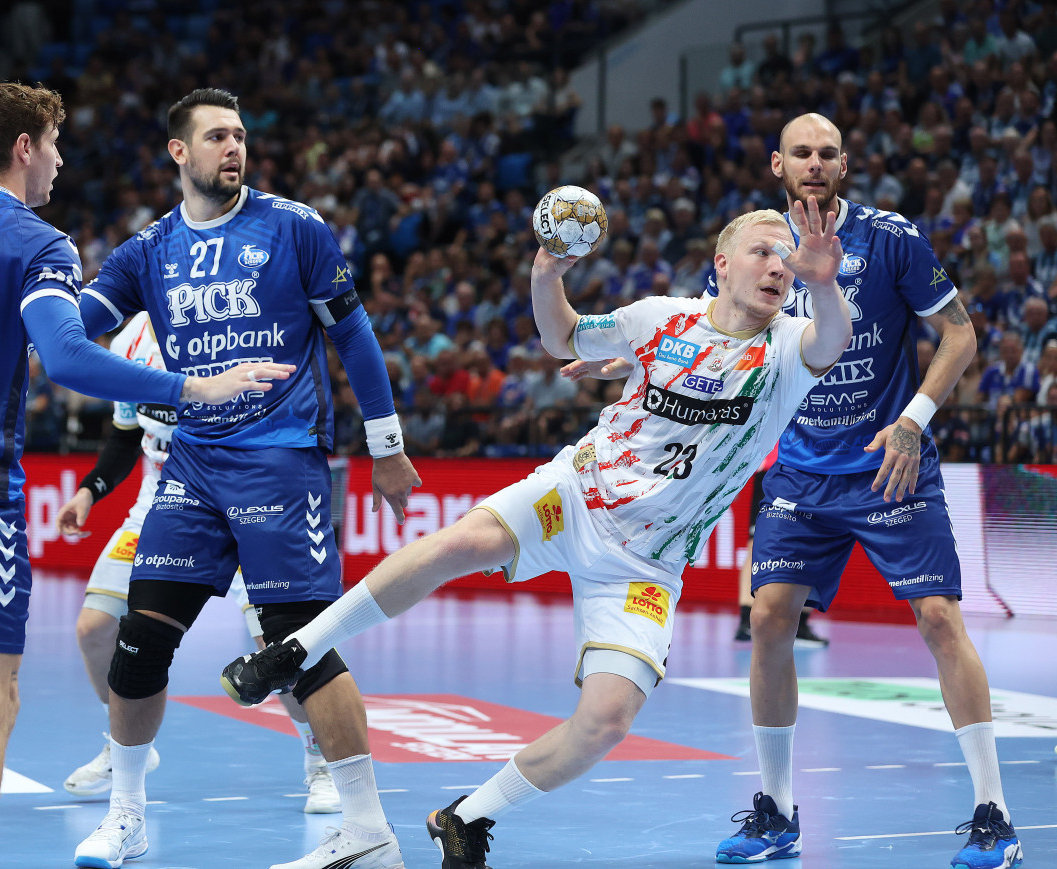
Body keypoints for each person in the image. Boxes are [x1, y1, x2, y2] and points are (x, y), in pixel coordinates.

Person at [220, 202, 853, 868]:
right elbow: (564, 336)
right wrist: (546, 276)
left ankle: (466, 817)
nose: (778, 266)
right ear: (722, 264)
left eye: (786, 258)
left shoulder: (790, 347)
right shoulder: (659, 318)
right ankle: (295, 649)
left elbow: (832, 338)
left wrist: (824, 281)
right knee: (460, 543)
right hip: (577, 495)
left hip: (646, 563)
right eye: (762, 251)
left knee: (606, 721)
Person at [0, 82, 274, 869]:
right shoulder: (35, 241)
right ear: (24, 147)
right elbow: (70, 358)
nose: (59, 161)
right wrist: (193, 386)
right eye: (53, 144)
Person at [73, 88, 420, 869]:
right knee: (139, 639)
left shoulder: (295, 227)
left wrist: (386, 444)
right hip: (192, 466)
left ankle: (367, 827)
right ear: (179, 152)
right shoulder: (147, 250)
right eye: (216, 136)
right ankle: (126, 817)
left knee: (301, 643)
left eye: (239, 135)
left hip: (281, 459)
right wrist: (28, 304)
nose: (234, 147)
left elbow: (355, 338)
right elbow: (76, 330)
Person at [715, 113, 1022, 868]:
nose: (814, 164)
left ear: (844, 165)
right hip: (800, 471)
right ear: (778, 166)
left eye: (827, 153)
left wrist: (914, 421)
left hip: (891, 465)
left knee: (939, 618)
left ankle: (995, 814)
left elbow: (960, 333)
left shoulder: (891, 239)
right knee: (769, 616)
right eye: (801, 153)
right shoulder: (758, 246)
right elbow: (717, 335)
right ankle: (776, 812)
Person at [56, 309, 339, 815]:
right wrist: (89, 491)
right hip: (161, 502)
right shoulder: (131, 340)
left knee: (278, 644)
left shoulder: (231, 320)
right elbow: (126, 434)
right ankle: (124, 745)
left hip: (246, 497)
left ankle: (319, 760)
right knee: (94, 629)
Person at [732, 452, 828, 647]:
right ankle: (747, 621)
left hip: (817, 470)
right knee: (758, 543)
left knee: (814, 544)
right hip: (779, 469)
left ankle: (799, 624)